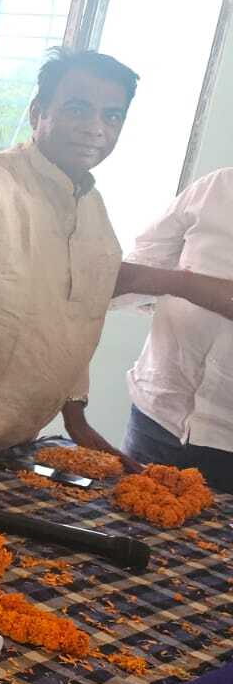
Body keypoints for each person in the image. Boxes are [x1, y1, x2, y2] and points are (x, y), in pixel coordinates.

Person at [0, 49, 233, 460]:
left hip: (17, 443)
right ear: (37, 112)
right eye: (77, 109)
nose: (94, 128)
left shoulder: (93, 210)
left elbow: (78, 316)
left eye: (111, 116)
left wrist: (76, 419)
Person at [122, 169, 233, 492]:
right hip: (157, 415)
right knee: (121, 518)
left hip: (228, 443)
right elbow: (144, 261)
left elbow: (154, 277)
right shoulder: (217, 186)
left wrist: (177, 283)